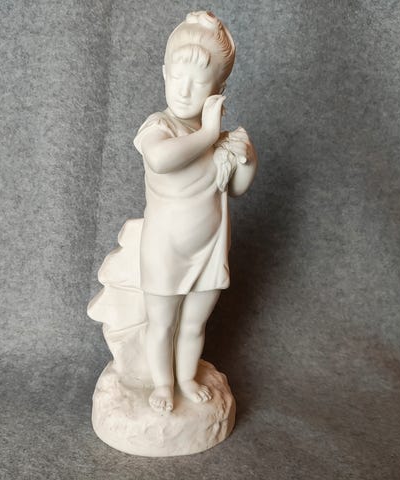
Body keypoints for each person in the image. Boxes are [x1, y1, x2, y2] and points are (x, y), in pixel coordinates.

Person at [132, 11, 257, 412]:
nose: (184, 91)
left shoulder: (219, 140)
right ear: (163, 73)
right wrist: (207, 133)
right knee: (162, 323)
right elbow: (160, 159)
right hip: (165, 249)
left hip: (209, 248)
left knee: (193, 323)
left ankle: (186, 376)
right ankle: (163, 384)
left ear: (219, 89)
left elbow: (236, 188)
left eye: (199, 82)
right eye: (176, 77)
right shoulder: (160, 127)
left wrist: (247, 157)